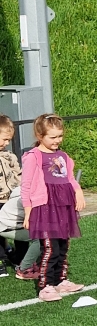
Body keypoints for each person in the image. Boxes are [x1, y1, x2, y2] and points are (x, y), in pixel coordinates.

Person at [21, 113, 86, 301]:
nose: (57, 140)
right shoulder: (34, 157)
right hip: (45, 208)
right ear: (40, 136)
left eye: (60, 136)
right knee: (50, 248)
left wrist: (78, 192)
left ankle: (60, 280)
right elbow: (26, 186)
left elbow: (70, 178)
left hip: (63, 207)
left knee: (63, 245)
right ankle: (46, 286)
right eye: (53, 137)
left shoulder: (63, 156)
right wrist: (28, 212)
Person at [0, 115, 22, 274]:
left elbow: (19, 175)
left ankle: (20, 257)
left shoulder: (10, 156)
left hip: (11, 200)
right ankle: (1, 258)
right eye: (4, 139)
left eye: (9, 140)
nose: (7, 143)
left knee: (17, 227)